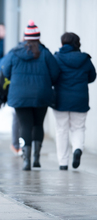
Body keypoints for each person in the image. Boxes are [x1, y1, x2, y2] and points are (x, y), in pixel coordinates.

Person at [2, 20, 60, 170]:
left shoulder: (14, 53)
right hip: (41, 94)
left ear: (25, 37)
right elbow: (55, 74)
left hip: (20, 95)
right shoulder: (45, 53)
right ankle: (36, 158)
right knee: (38, 125)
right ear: (38, 37)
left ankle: (26, 160)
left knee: (25, 126)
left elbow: (6, 72)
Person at [52, 32, 96, 170]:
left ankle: (63, 163)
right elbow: (92, 77)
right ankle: (77, 149)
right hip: (80, 99)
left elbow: (52, 76)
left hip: (60, 100)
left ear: (62, 44)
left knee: (61, 130)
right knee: (78, 128)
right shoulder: (85, 59)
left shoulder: (56, 58)